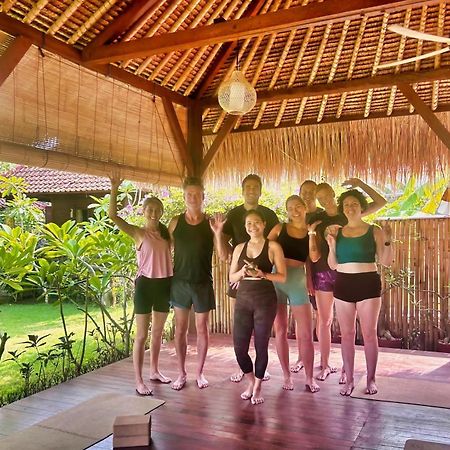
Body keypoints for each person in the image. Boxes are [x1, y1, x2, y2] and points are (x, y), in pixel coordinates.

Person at [310, 178, 387, 382]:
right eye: (320, 198)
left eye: (327, 195)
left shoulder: (359, 219)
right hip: (336, 277)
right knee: (339, 329)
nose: (325, 199)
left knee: (368, 333)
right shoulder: (323, 221)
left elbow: (380, 202)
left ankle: (364, 376)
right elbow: (321, 256)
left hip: (365, 279)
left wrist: (360, 184)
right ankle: (338, 371)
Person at [109, 175, 172, 396]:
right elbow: (113, 216)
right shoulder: (138, 233)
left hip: (165, 284)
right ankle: (139, 379)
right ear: (143, 211)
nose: (153, 212)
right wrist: (115, 188)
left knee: (158, 333)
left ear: (161, 212)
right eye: (150, 209)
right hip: (145, 286)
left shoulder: (167, 235)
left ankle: (154, 371)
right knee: (141, 335)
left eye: (157, 209)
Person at [326, 189, 393, 396]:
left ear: (362, 206)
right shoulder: (337, 231)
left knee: (370, 334)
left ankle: (371, 379)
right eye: (346, 204)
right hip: (343, 283)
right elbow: (333, 264)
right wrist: (331, 245)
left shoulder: (374, 230)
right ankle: (350, 379)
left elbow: (385, 261)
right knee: (346, 334)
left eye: (354, 203)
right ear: (342, 209)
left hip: (368, 283)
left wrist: (388, 240)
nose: (350, 207)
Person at [168, 177, 227, 391]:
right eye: (189, 194)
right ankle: (181, 373)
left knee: (202, 329)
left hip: (202, 283)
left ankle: (199, 373)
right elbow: (164, 249)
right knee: (181, 328)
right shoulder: (175, 222)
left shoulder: (211, 223)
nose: (193, 198)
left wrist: (218, 234)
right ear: (184, 197)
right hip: (180, 283)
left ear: (203, 197)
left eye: (197, 194)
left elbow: (222, 256)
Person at [222, 174, 279, 382]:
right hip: (240, 277)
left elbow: (274, 239)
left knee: (262, 331)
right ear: (242, 189)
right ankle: (243, 368)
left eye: (256, 186)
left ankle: (261, 367)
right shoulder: (234, 213)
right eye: (248, 186)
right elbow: (223, 243)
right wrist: (238, 258)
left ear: (261, 190)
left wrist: (260, 256)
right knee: (241, 330)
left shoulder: (269, 214)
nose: (252, 190)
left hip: (262, 278)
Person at [229, 209, 286, 405]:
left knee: (261, 345)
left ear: (263, 224)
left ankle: (259, 386)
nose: (252, 226)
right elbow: (232, 277)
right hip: (244, 297)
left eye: (256, 223)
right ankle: (251, 381)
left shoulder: (273, 247)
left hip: (265, 297)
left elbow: (282, 276)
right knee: (239, 347)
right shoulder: (239, 248)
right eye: (248, 224)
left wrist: (263, 274)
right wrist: (243, 271)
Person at [267, 195, 321, 392]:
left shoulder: (311, 232)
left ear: (305, 207)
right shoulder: (279, 228)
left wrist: (312, 234)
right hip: (276, 279)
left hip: (297, 280)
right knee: (280, 330)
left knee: (306, 333)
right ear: (287, 211)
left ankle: (309, 377)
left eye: (298, 206)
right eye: (290, 208)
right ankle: (286, 375)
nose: (295, 210)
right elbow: (264, 250)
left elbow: (313, 257)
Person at [290, 180, 323, 373]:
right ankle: (301, 357)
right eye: (305, 191)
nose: (308, 194)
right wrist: (308, 276)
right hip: (304, 274)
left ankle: (322, 357)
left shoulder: (322, 215)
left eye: (312, 191)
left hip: (324, 271)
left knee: (322, 319)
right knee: (302, 319)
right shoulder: (297, 217)